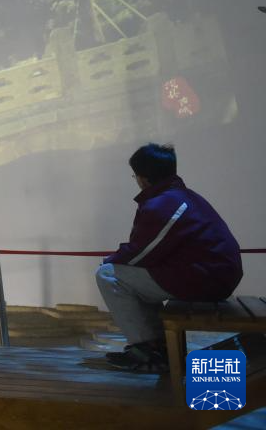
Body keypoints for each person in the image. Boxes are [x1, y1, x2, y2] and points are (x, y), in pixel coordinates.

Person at [97, 143, 242, 372]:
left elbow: (142, 253)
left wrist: (109, 260)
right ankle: (159, 347)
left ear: (143, 178)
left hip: (208, 278)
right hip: (214, 275)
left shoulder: (164, 204)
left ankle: (149, 352)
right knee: (134, 277)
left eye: (135, 175)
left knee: (108, 275)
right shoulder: (181, 197)